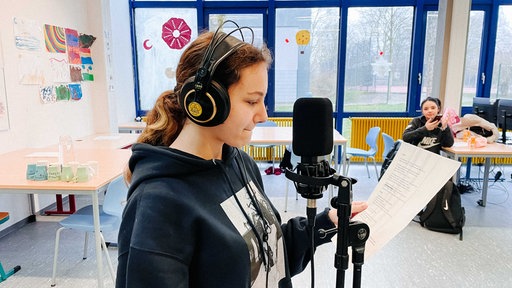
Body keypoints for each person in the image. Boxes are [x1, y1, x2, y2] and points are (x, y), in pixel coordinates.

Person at [115, 27, 367, 288]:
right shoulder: (158, 203)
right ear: (206, 101)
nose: (263, 115)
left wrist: (325, 223)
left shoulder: (240, 164)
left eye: (263, 101)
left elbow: (266, 259)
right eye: (251, 101)